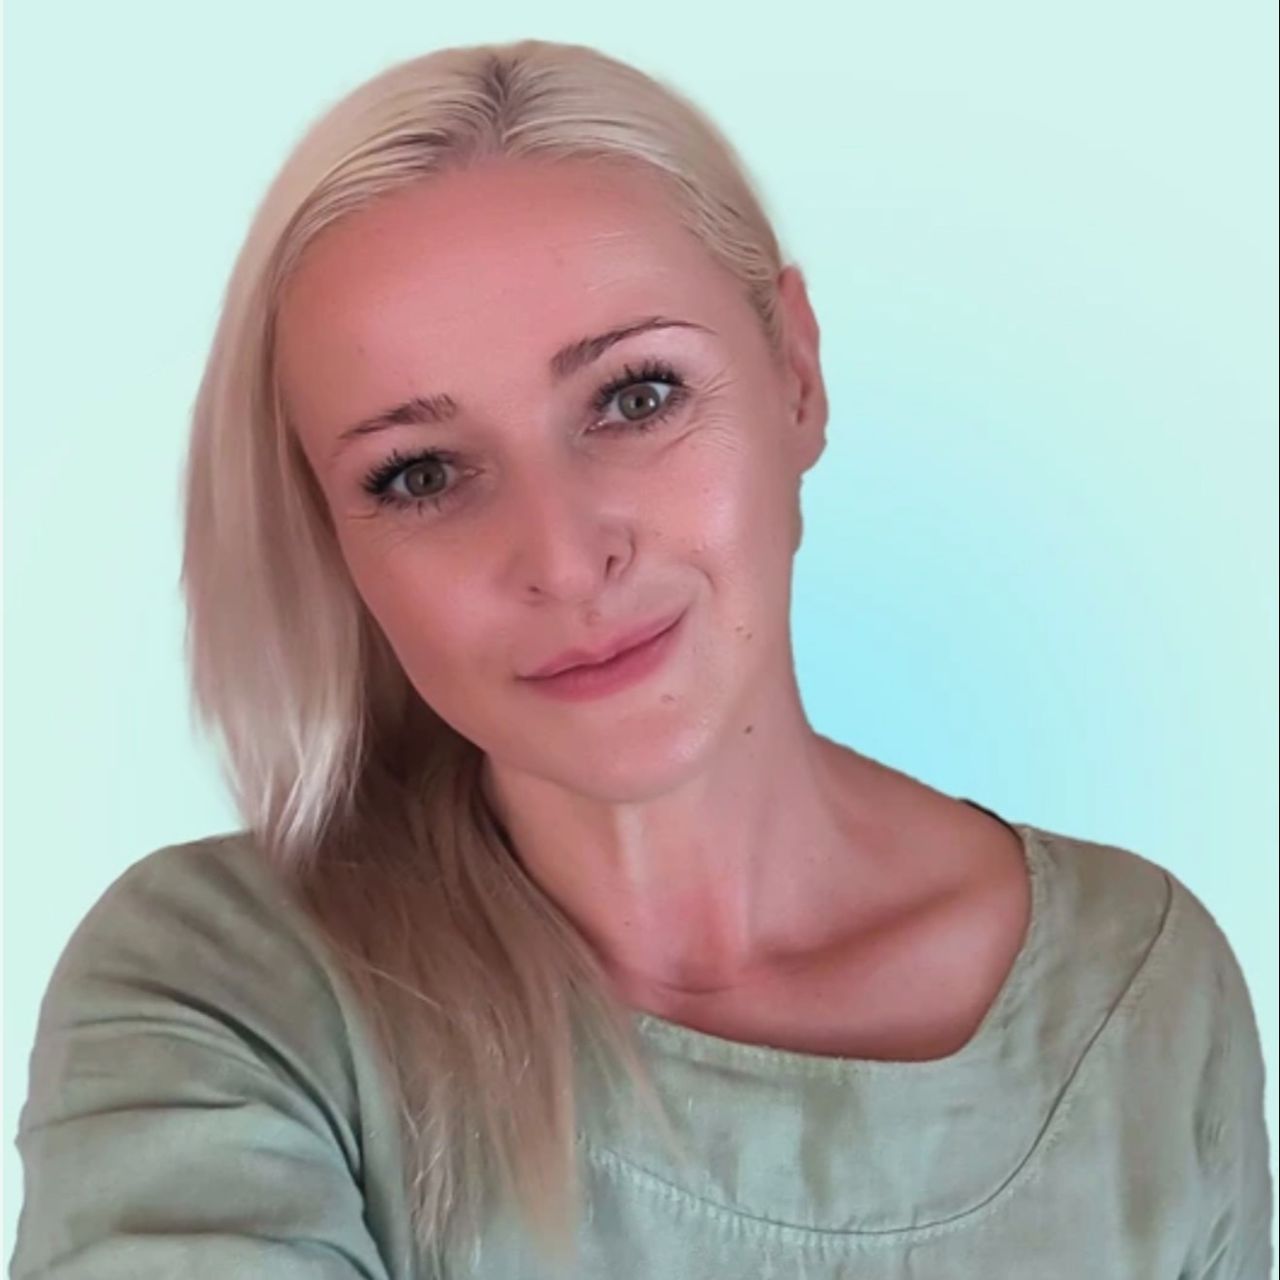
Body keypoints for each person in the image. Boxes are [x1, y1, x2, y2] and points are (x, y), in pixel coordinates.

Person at [10, 37, 1273, 1280]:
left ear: (794, 374)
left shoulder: (1140, 988)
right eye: (420, 473)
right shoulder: (226, 987)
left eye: (633, 397)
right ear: (334, 540)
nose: (562, 557)